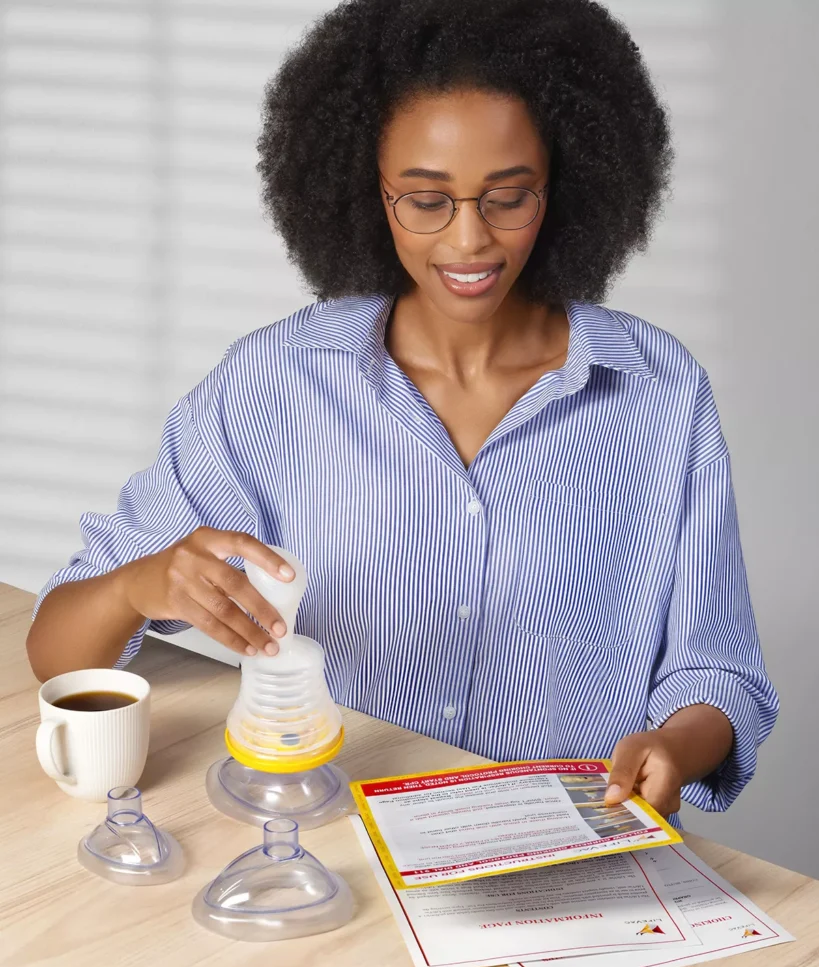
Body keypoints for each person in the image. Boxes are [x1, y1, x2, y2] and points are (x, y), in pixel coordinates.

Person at [27, 0, 778, 827]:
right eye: (425, 200)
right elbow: (57, 650)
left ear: (564, 187)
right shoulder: (280, 383)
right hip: (338, 848)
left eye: (508, 197)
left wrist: (676, 743)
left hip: (566, 854)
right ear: (365, 191)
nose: (468, 243)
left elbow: (718, 674)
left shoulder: (659, 393)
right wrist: (142, 581)